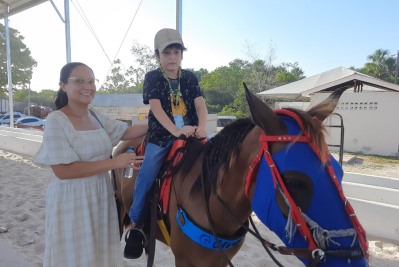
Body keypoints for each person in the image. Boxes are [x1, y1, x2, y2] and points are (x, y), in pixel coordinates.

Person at [34, 62, 147, 267]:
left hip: (101, 193)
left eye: (91, 81)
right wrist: (114, 162)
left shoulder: (95, 115)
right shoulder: (56, 120)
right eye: (79, 81)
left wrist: (159, 123)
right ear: (63, 85)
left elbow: (126, 132)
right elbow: (62, 171)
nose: (87, 86)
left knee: (99, 251)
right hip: (71, 198)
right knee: (75, 256)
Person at [124, 28, 208, 259]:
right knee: (148, 171)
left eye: (176, 52)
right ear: (157, 56)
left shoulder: (190, 77)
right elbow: (157, 109)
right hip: (162, 135)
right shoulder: (152, 77)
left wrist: (201, 126)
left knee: (213, 162)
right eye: (167, 52)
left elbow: (200, 105)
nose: (172, 57)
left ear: (182, 55)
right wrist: (176, 131)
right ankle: (136, 222)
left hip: (190, 131)